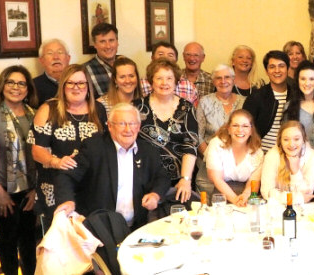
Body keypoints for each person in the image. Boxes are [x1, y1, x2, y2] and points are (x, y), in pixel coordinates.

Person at [53, 103, 169, 229]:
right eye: (121, 124)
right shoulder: (94, 147)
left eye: (132, 124)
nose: (128, 129)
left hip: (136, 227)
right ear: (110, 126)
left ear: (139, 126)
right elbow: (66, 176)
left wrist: (155, 195)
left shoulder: (147, 150)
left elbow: (162, 177)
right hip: (100, 227)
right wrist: (67, 200)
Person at [31, 64, 107, 229]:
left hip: (90, 186)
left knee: (91, 238)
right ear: (63, 86)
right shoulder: (49, 110)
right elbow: (37, 150)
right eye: (70, 83)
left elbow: (104, 146)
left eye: (81, 83)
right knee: (62, 242)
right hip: (57, 186)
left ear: (88, 86)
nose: (76, 88)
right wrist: (55, 161)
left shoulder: (98, 110)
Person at [0, 65, 39, 275]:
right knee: (7, 242)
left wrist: (35, 191)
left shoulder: (35, 115)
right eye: (11, 82)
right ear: (2, 85)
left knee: (29, 241)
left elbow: (41, 155)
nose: (16, 87)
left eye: (21, 83)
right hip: (2, 191)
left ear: (28, 89)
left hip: (29, 191)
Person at [133, 59, 200, 203]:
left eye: (169, 78)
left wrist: (185, 179)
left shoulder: (186, 108)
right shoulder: (137, 107)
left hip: (180, 180)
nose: (165, 83)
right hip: (145, 178)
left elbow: (190, 144)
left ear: (176, 81)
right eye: (159, 78)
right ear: (151, 81)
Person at [201, 110, 264, 206]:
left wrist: (245, 197)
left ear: (251, 131)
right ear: (229, 129)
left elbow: (253, 182)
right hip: (219, 191)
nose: (240, 130)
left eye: (245, 126)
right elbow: (217, 179)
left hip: (245, 194)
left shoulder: (258, 152)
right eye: (235, 125)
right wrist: (235, 200)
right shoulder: (216, 144)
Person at [260, 121, 314, 203]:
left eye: (296, 139)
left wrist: (295, 171)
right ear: (280, 141)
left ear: (303, 139)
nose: (291, 144)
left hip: (303, 208)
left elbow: (307, 193)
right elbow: (266, 192)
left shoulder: (313, 157)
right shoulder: (272, 155)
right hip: (275, 207)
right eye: (286, 139)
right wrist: (296, 199)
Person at [243, 50, 292, 152]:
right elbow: (245, 128)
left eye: (281, 66)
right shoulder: (256, 97)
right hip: (260, 154)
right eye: (272, 67)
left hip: (290, 153)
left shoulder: (296, 96)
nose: (277, 70)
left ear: (288, 68)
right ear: (266, 71)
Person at [197, 64, 247, 154]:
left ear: (233, 80)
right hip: (210, 156)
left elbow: (249, 132)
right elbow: (198, 135)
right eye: (218, 78)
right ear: (213, 82)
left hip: (238, 156)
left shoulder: (244, 102)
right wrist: (209, 157)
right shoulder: (205, 102)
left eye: (227, 77)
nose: (223, 81)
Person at [83, 23, 120, 97]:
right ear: (95, 45)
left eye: (111, 40)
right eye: (102, 42)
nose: (108, 46)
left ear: (117, 42)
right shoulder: (85, 70)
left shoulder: (127, 64)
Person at [34, 39, 71, 103]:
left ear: (68, 58)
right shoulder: (33, 86)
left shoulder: (79, 82)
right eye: (50, 53)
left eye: (60, 52)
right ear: (41, 61)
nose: (56, 57)